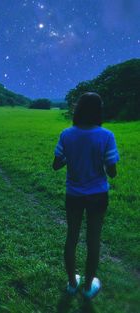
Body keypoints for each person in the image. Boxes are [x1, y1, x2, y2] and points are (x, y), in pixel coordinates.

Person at [52, 92, 119, 299]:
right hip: (98, 195)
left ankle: (72, 283)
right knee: (93, 240)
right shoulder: (106, 136)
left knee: (71, 237)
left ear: (78, 109)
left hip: (73, 194)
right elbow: (112, 172)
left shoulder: (66, 134)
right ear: (98, 110)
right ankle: (89, 287)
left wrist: (71, 158)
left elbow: (56, 165)